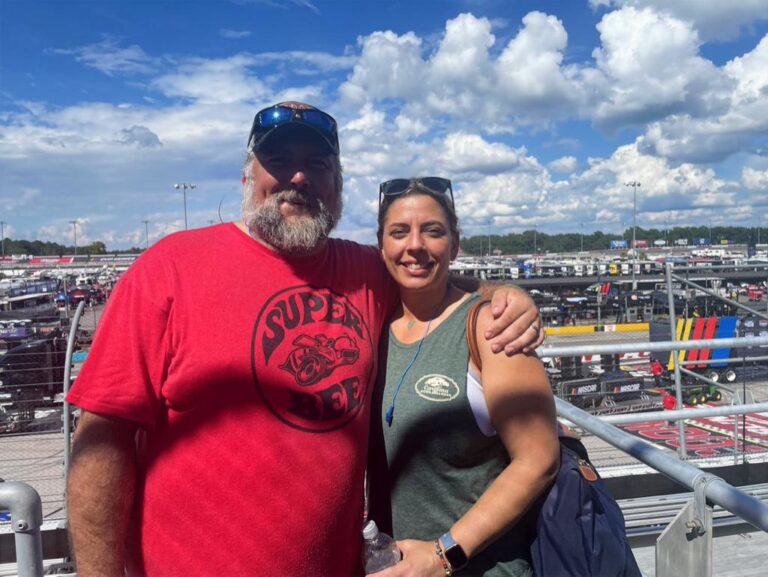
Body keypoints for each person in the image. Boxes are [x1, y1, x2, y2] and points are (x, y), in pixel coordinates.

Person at [65, 102, 544, 577]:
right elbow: (102, 445)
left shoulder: (364, 271)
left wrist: (509, 295)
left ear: (337, 186)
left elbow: (428, 275)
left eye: (317, 165)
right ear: (247, 177)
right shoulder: (169, 269)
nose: (299, 178)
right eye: (279, 161)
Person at [371, 178, 560, 576]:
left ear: (455, 245)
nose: (415, 245)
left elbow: (539, 458)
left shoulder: (491, 327)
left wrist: (443, 556)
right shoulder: (374, 325)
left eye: (433, 231)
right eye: (399, 232)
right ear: (381, 245)